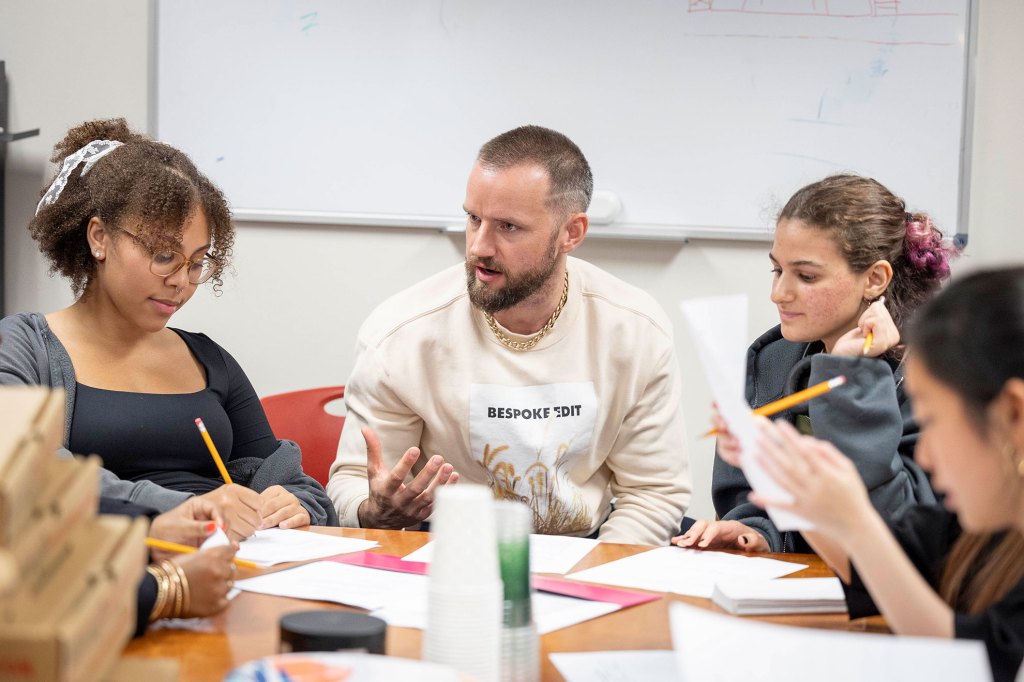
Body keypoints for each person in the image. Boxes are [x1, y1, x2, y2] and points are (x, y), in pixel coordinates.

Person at [327, 125, 690, 545]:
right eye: (473, 218)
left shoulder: (634, 329)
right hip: (447, 548)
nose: (479, 246)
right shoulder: (401, 333)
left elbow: (652, 493)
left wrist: (593, 580)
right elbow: (354, 483)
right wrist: (377, 513)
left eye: (508, 227)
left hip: (588, 548)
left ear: (571, 232)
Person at [0, 118, 338, 540]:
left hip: (232, 566)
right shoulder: (24, 346)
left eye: (197, 263)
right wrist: (185, 509)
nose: (182, 281)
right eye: (164, 256)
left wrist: (295, 506)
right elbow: (31, 470)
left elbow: (296, 484)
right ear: (99, 237)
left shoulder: (208, 360)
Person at [747, 266, 1024, 682]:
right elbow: (883, 567)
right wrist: (792, 481)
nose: (925, 456)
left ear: (1013, 414)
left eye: (932, 423)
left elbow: (972, 665)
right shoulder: (989, 530)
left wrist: (856, 523)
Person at [676, 174, 956, 553]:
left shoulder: (935, 378)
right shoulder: (771, 358)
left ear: (874, 279)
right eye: (777, 270)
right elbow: (746, 494)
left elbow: (901, 527)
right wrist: (757, 532)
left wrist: (851, 378)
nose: (779, 293)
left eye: (806, 276)